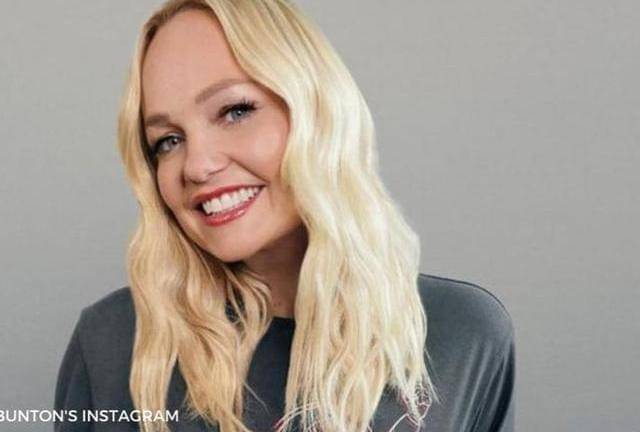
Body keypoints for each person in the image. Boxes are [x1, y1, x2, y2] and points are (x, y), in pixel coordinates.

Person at [54, 0, 515, 431]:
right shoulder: (113, 343)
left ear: (316, 112)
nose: (196, 165)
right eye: (168, 141)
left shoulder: (463, 335)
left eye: (235, 111)